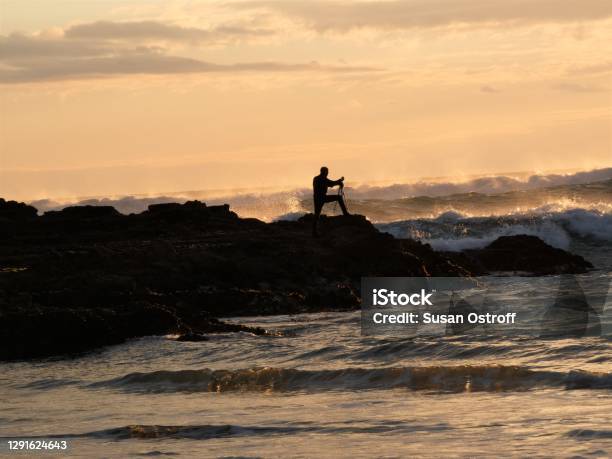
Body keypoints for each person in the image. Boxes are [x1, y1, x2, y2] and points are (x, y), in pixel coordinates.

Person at [312, 166, 350, 236]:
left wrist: (339, 181)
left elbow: (331, 183)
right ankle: (345, 213)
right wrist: (339, 181)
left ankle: (314, 232)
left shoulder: (316, 178)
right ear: (324, 172)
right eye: (327, 172)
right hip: (322, 198)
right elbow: (331, 183)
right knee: (338, 197)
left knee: (317, 214)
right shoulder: (323, 179)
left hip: (317, 198)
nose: (327, 173)